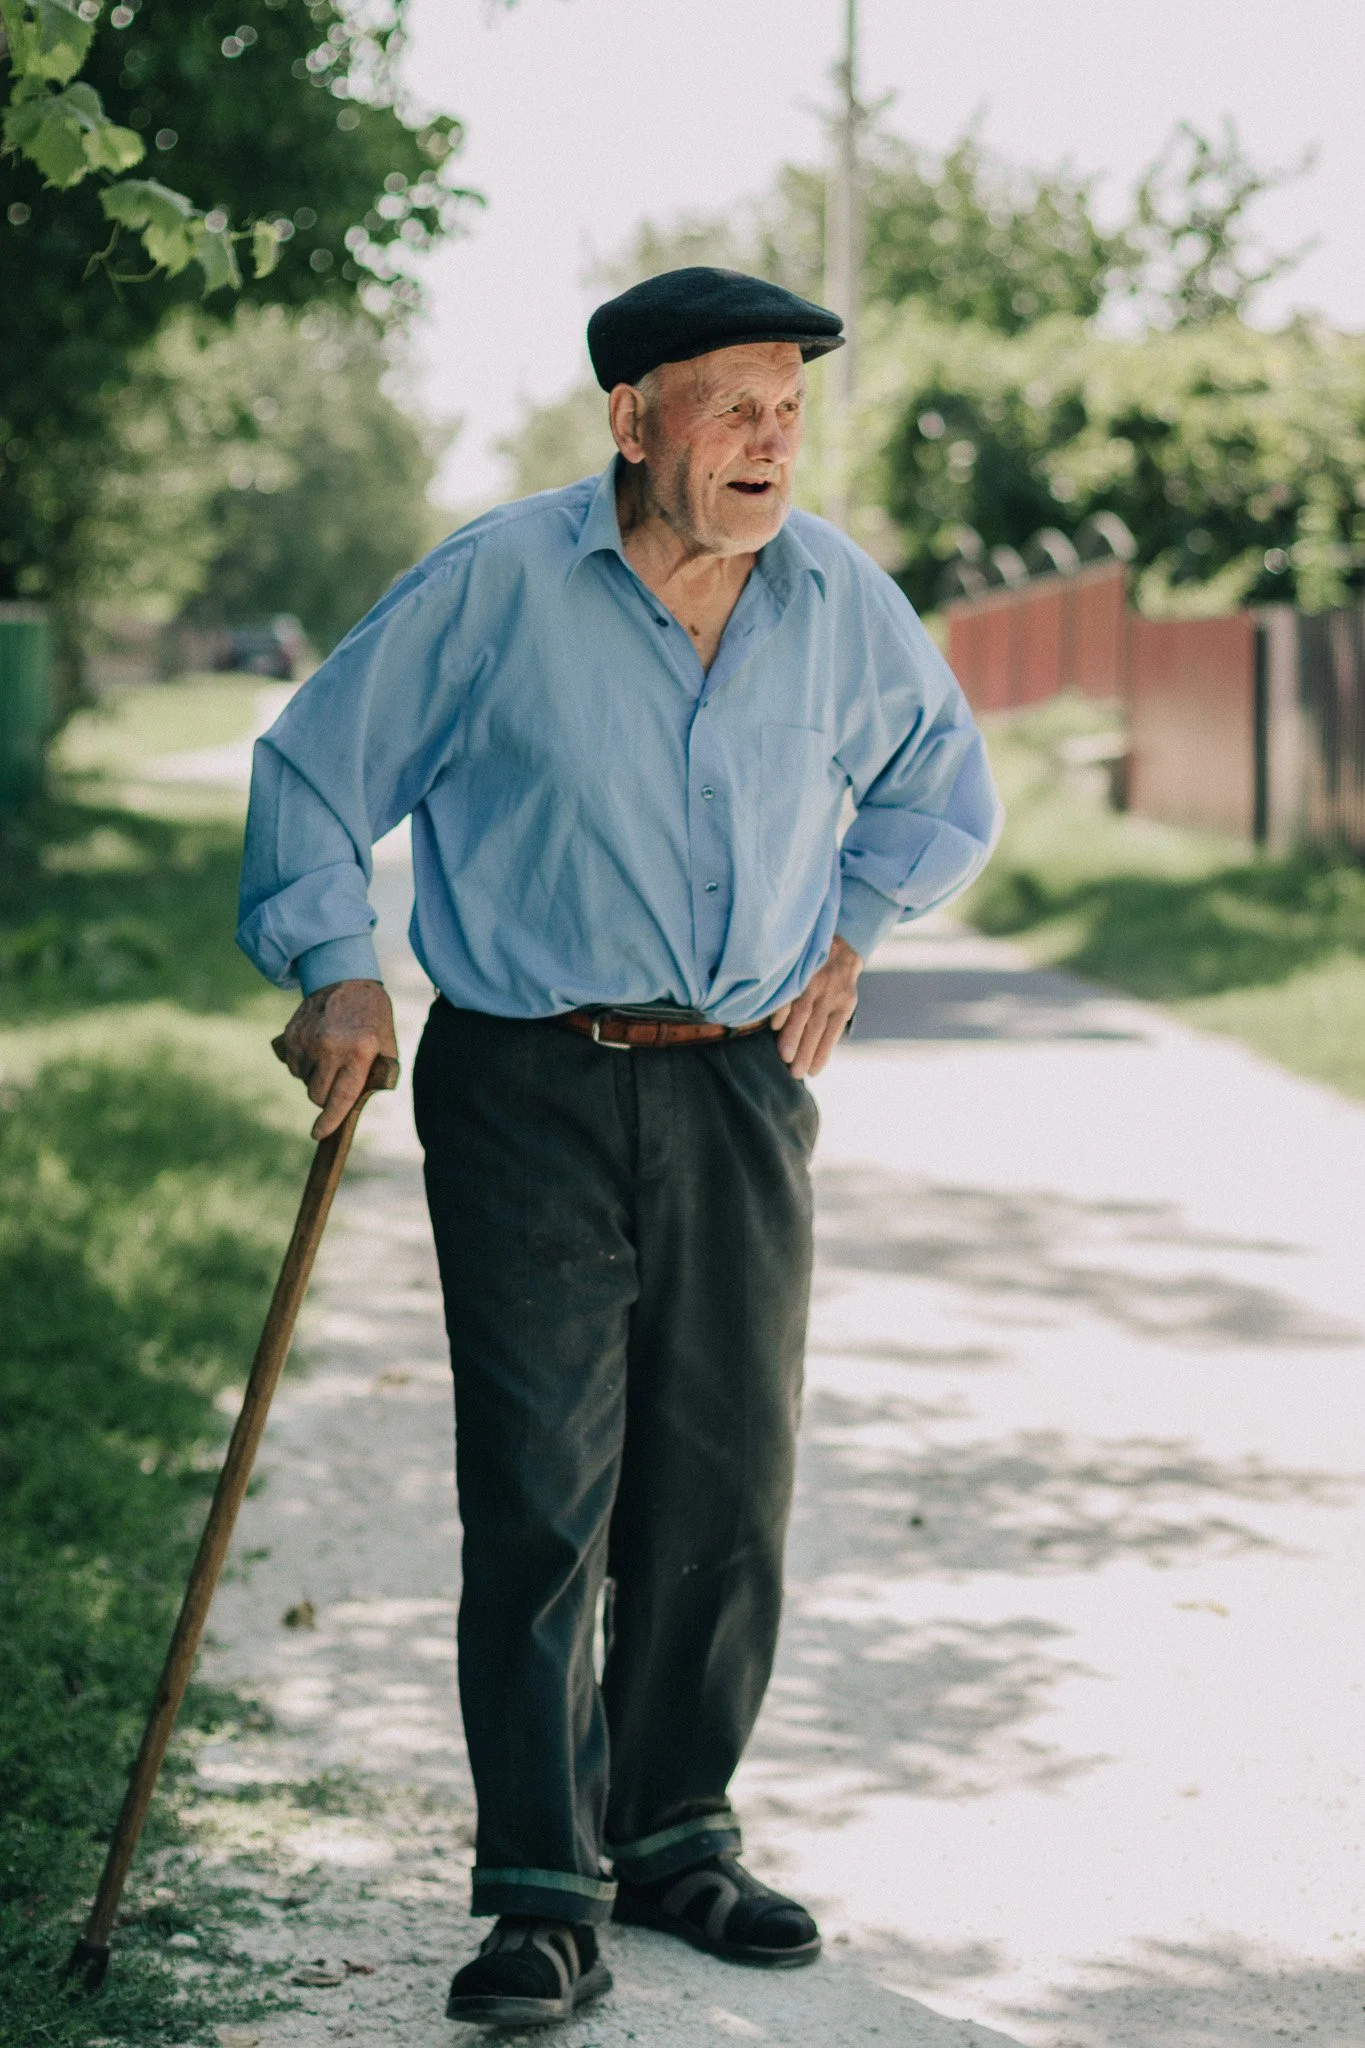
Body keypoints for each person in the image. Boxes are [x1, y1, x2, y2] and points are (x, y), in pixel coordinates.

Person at [237, 267, 1001, 2028]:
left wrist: (850, 931)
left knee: (725, 1479)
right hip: (527, 1079)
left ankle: (673, 1836)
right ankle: (540, 1890)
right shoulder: (500, 582)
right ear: (633, 420)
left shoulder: (834, 599)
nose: (769, 443)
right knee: (541, 1490)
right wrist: (341, 970)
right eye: (732, 407)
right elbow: (314, 773)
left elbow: (938, 784)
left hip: (739, 1084)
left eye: (790, 412)